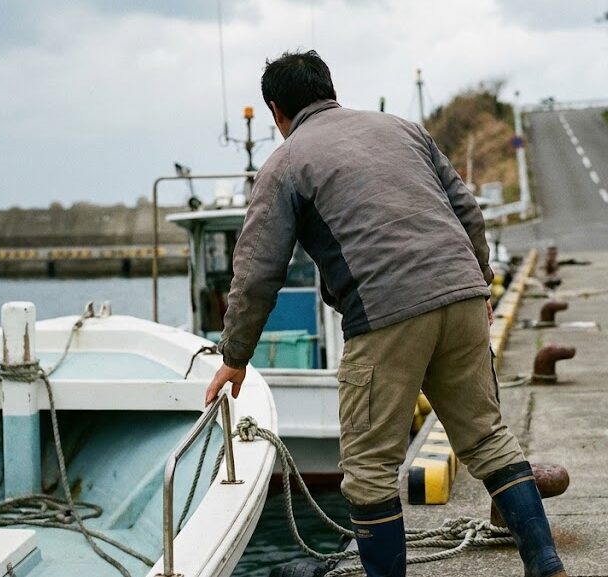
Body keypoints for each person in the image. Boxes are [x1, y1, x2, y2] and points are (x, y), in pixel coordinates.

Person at [204, 50, 567, 577]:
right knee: (488, 438)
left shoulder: (285, 164)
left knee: (369, 471)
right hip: (462, 296)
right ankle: (545, 562)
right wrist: (480, 288)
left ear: (276, 111)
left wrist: (235, 356)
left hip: (384, 316)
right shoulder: (403, 129)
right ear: (331, 88)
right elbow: (467, 210)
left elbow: (257, 272)